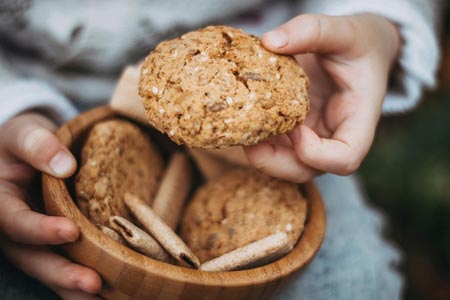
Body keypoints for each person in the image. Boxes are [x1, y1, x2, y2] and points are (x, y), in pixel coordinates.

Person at [0, 0, 440, 299]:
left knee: (353, 280)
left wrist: (377, 26)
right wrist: (9, 107)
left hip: (292, 95)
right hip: (29, 102)